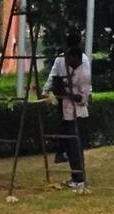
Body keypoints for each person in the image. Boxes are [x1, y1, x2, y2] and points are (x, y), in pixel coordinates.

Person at [43, 33, 91, 188]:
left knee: (75, 145)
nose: (69, 62)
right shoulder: (61, 59)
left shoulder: (84, 68)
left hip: (77, 110)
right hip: (64, 107)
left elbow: (83, 98)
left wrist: (67, 93)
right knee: (68, 143)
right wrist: (47, 90)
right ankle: (73, 172)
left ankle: (79, 178)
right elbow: (53, 75)